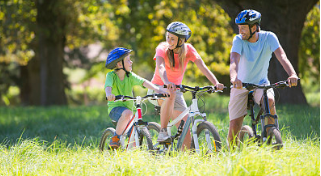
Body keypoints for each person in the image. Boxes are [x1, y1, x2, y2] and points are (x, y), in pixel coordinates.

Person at [148, 21, 224, 149]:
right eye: (167, 37)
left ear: (181, 40)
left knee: (186, 131)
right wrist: (167, 82)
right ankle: (163, 131)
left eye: (172, 39)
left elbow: (203, 67)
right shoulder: (162, 48)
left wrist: (216, 83)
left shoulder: (188, 50)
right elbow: (160, 67)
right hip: (158, 88)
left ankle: (185, 159)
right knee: (170, 93)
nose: (168, 41)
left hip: (175, 90)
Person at [228, 9, 299, 146]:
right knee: (235, 125)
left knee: (270, 100)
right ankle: (230, 153)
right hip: (240, 85)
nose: (240, 31)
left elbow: (282, 56)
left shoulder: (269, 37)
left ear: (254, 27)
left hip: (261, 84)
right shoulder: (238, 40)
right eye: (239, 28)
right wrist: (234, 78)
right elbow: (233, 60)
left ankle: (270, 136)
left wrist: (292, 74)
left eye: (243, 28)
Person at [104, 47, 170, 149]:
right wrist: (109, 94)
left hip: (131, 110)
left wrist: (158, 90)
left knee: (136, 138)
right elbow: (108, 87)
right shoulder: (111, 76)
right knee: (128, 113)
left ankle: (132, 155)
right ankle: (116, 138)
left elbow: (143, 82)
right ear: (119, 64)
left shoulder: (130, 76)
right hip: (115, 109)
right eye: (128, 60)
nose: (131, 62)